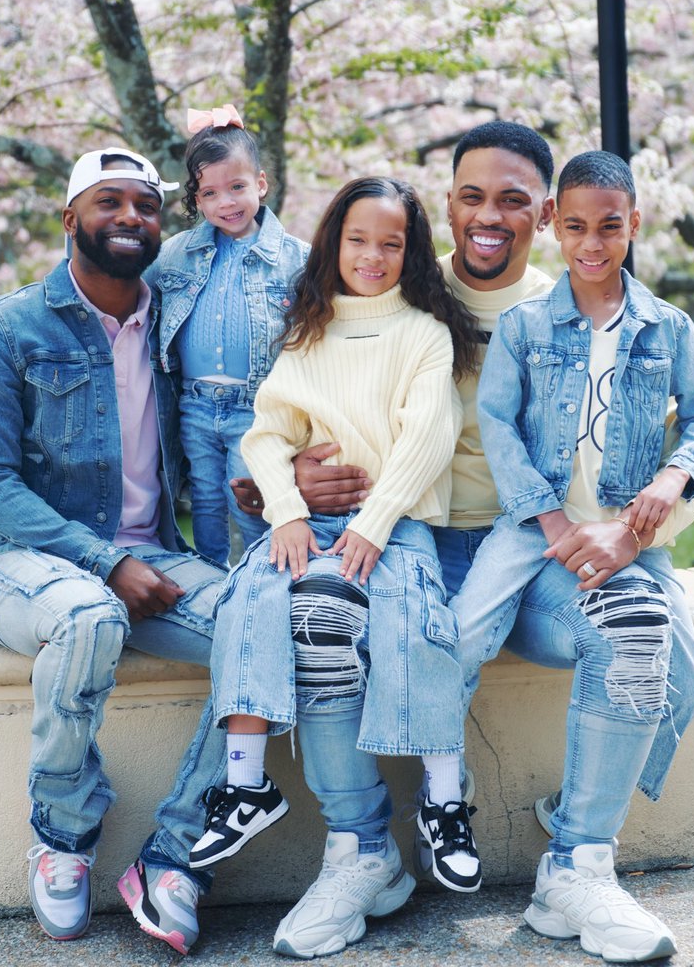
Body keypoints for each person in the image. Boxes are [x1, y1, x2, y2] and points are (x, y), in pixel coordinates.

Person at [231, 122, 694, 962]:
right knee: (326, 619)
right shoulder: (396, 287)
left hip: (530, 557)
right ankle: (360, 853)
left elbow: (683, 436)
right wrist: (295, 483)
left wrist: (646, 523)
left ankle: (578, 862)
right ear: (447, 203)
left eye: (515, 201)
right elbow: (300, 409)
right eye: (472, 196)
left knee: (644, 639)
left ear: (548, 215)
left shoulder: (563, 306)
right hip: (404, 542)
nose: (490, 216)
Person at [0, 147, 229, 955]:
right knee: (87, 615)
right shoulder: (9, 327)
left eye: (145, 205)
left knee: (274, 625)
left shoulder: (173, 325)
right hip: (18, 562)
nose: (130, 218)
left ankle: (174, 858)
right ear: (70, 218)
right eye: (109, 203)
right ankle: (63, 834)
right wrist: (103, 560)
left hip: (152, 555)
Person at [452, 149, 694, 962]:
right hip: (537, 542)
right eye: (575, 227)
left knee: (691, 679)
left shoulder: (669, 327)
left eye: (611, 226)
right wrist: (551, 526)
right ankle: (472, 804)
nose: (593, 243)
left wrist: (667, 485)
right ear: (552, 227)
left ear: (635, 224)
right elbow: (496, 424)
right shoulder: (528, 327)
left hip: (628, 542)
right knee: (460, 637)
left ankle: (574, 816)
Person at [190, 176, 484, 901]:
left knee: (417, 625)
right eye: (359, 239)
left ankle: (444, 803)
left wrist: (376, 523)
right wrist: (285, 510)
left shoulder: (422, 332)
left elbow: (427, 439)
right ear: (334, 242)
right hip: (308, 521)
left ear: (412, 252)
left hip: (397, 522)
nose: (373, 256)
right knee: (253, 595)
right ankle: (244, 783)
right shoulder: (310, 330)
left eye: (392, 243)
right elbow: (266, 434)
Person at [150, 105, 309, 566]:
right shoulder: (175, 256)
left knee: (254, 497)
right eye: (211, 193)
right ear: (197, 200)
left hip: (257, 407)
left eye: (237, 187)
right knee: (204, 498)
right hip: (195, 404)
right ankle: (212, 578)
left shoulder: (296, 259)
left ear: (260, 183)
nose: (226, 203)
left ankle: (263, 578)